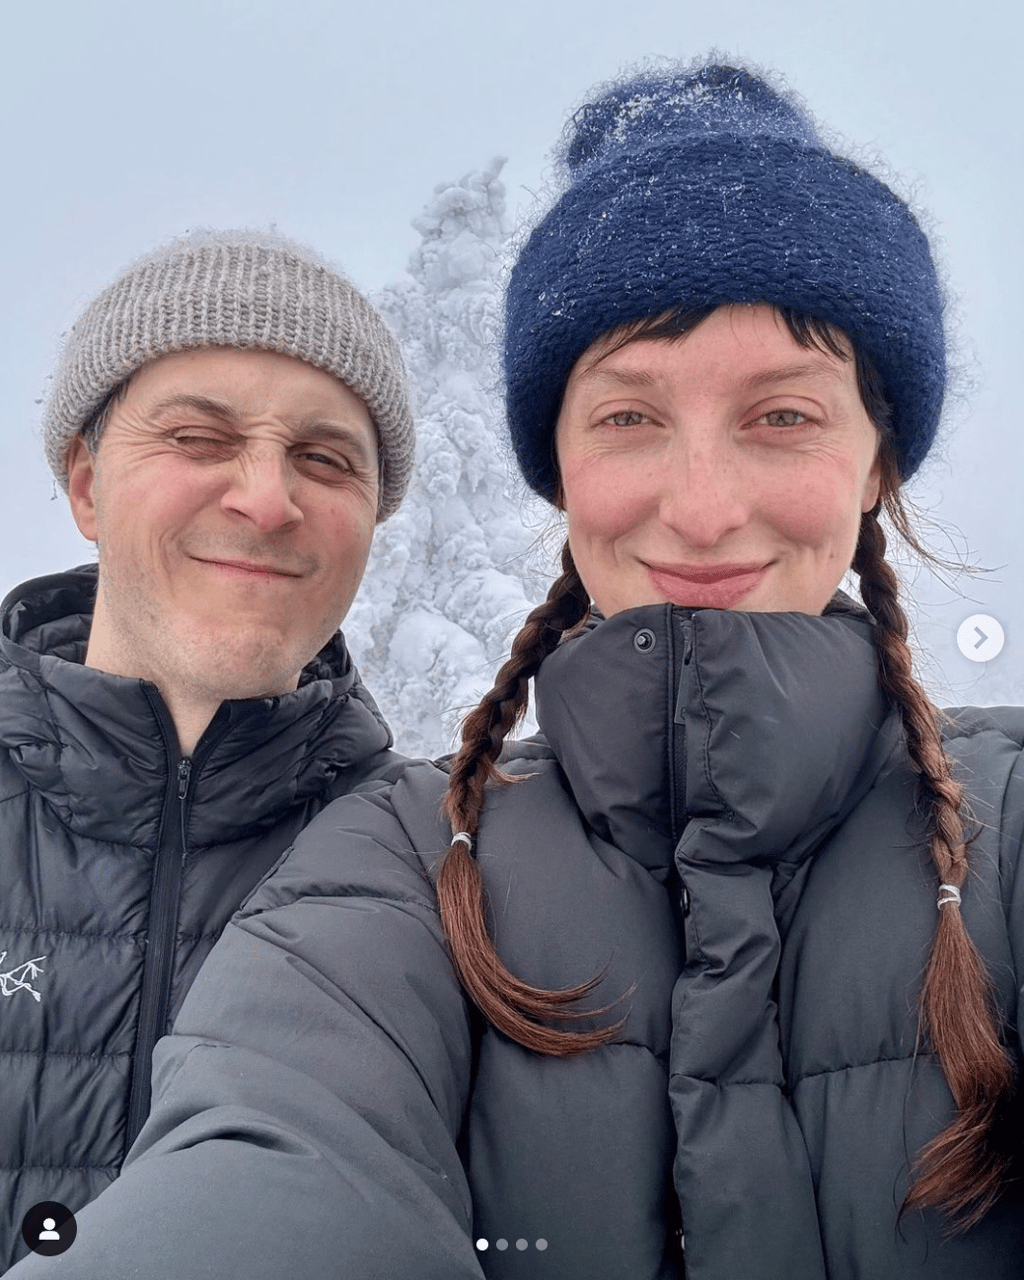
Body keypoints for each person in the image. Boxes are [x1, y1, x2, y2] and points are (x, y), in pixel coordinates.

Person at [11, 61, 1023, 1280]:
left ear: (876, 463)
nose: (701, 508)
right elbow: (282, 1157)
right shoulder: (406, 858)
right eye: (629, 415)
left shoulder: (1004, 822)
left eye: (784, 415)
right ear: (560, 466)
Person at [0, 228, 416, 1271]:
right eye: (198, 437)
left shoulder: (454, 867)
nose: (267, 497)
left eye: (325, 458)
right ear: (88, 486)